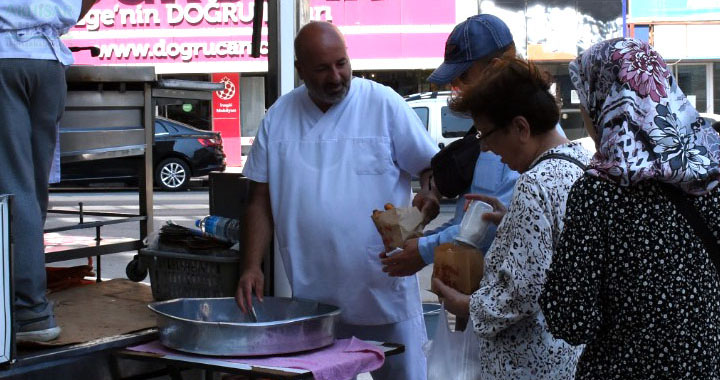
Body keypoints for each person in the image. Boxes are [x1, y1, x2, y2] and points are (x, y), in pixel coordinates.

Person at [235, 21, 438, 380]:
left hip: (384, 293)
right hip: (316, 303)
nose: (335, 76)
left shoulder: (382, 103)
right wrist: (252, 265)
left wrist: (429, 196)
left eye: (341, 63)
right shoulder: (279, 117)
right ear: (300, 70)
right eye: (322, 68)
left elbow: (430, 167)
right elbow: (259, 200)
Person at [540, 38, 720, 379]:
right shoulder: (709, 178)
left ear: (608, 103)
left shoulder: (599, 193)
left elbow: (572, 320)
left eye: (586, 99)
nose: (584, 112)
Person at [431, 57, 589, 379]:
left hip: (527, 365)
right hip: (562, 359)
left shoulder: (534, 184)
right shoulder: (579, 163)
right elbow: (557, 251)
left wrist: (465, 305)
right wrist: (512, 221)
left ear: (520, 127)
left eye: (486, 135)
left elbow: (520, 293)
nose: (486, 148)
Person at [381, 14, 519, 279]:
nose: (455, 87)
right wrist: (417, 244)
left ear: (497, 67)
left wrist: (422, 249)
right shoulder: (492, 129)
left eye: (463, 76)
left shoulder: (518, 135)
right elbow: (466, 223)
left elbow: (489, 226)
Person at [0, 0, 97, 343]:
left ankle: (29, 312)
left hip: (5, 56)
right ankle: (23, 301)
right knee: (32, 191)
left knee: (14, 189)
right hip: (48, 63)